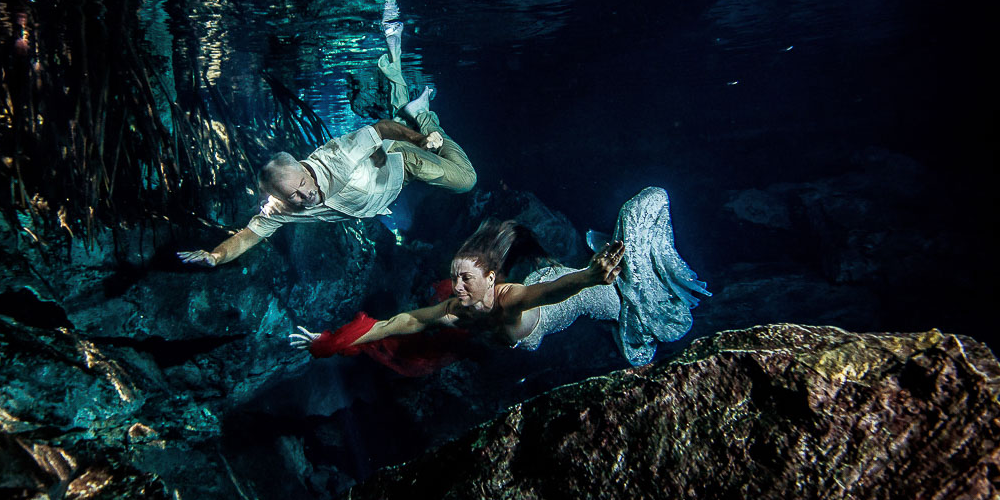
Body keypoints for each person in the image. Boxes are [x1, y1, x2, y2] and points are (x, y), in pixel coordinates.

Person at [290, 187, 711, 369]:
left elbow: (551, 290)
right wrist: (332, 340)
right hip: (554, 278)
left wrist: (590, 277)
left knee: (635, 291)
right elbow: (399, 322)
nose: (456, 288)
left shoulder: (509, 298)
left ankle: (626, 271)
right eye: (455, 278)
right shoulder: (458, 309)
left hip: (586, 294)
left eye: (466, 279)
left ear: (491, 279)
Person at [178, 86, 477, 267]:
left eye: (303, 183)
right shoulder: (282, 210)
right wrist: (215, 256)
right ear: (278, 198)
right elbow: (246, 237)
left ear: (304, 169)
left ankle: (424, 117)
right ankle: (410, 109)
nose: (305, 194)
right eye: (292, 195)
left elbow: (381, 128)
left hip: (402, 161)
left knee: (466, 180)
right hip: (387, 182)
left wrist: (420, 140)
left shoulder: (337, 157)